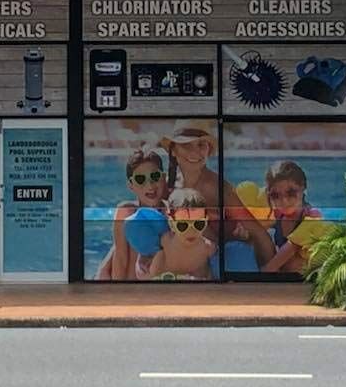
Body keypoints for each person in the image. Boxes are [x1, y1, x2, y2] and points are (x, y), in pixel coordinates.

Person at [158, 120, 274, 272]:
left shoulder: (218, 188)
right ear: (173, 150)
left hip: (222, 260)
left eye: (201, 145)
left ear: (208, 150)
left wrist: (271, 272)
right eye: (186, 145)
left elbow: (256, 231)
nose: (194, 152)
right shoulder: (168, 185)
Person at [96, 147, 169, 280]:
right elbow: (120, 260)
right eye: (141, 179)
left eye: (155, 177)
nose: (150, 185)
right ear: (131, 185)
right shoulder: (126, 211)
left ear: (163, 178)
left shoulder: (171, 213)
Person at [259, 161, 324, 274]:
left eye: (291, 193)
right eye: (275, 196)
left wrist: (259, 275)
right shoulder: (277, 218)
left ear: (303, 188)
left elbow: (290, 249)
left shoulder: (312, 216)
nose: (284, 201)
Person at [149, 188, 216, 280]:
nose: (191, 231)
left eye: (198, 224)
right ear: (171, 224)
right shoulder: (165, 243)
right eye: (183, 225)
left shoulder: (208, 248)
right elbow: (152, 275)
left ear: (206, 221)